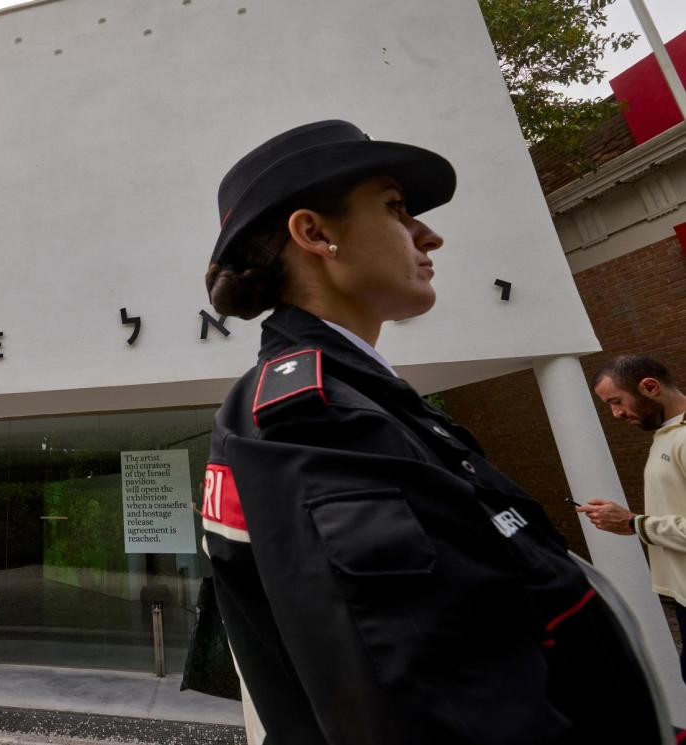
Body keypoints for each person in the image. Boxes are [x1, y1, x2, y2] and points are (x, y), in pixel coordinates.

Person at [199, 120, 664, 744]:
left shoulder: (362, 401)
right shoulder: (315, 424)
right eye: (395, 208)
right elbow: (431, 710)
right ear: (314, 233)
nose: (430, 235)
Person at [579, 354, 686, 682]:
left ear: (649, 387)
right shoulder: (667, 436)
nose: (615, 413)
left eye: (616, 401)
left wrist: (633, 523)